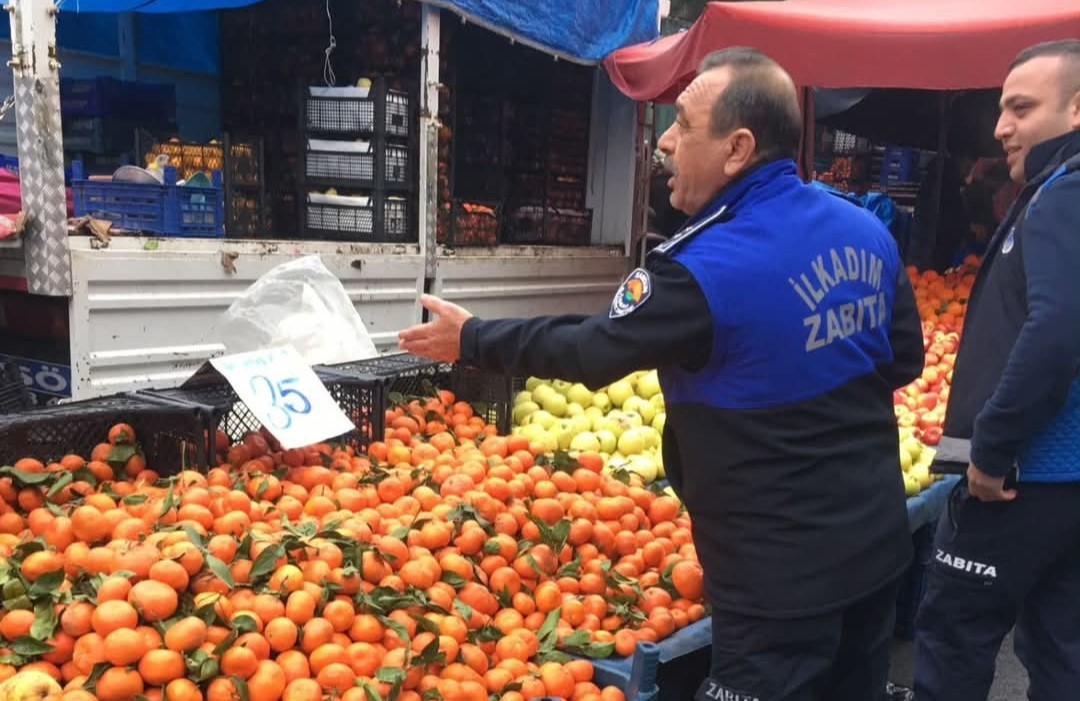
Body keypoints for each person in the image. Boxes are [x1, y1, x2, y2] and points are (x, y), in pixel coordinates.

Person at [400, 48, 924, 701]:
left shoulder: (703, 266)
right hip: (876, 549)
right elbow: (905, 361)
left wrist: (473, 337)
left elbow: (593, 351)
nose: (666, 143)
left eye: (681, 124)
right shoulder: (864, 230)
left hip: (777, 582)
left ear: (737, 148)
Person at [914, 39, 1080, 701]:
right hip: (1063, 483)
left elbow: (1058, 329)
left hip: (1025, 478)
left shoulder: (1064, 195)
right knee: (1062, 652)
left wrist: (990, 448)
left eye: (1020, 108)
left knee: (953, 639)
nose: (1000, 127)